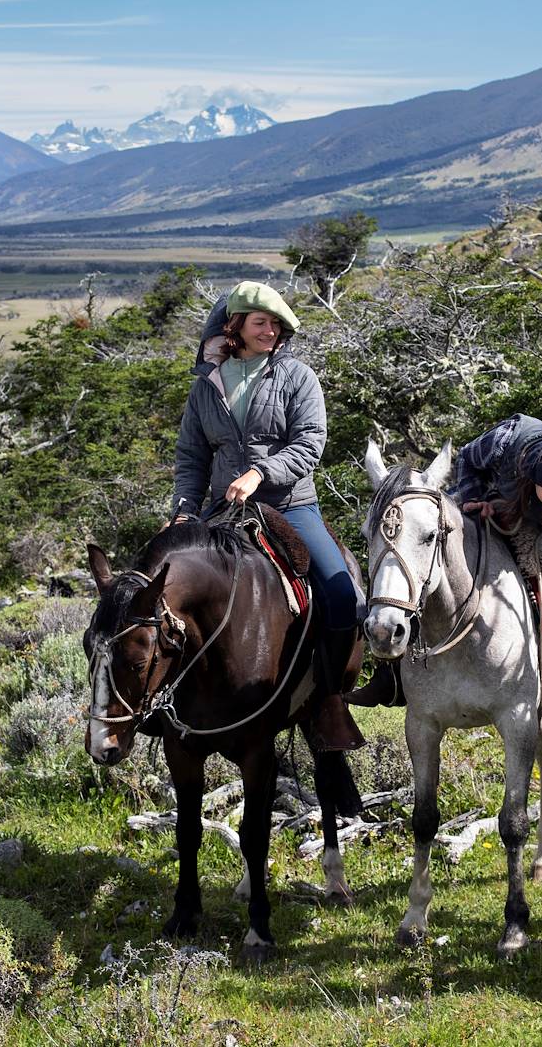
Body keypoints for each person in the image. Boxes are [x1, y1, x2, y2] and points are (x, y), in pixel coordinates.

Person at [170, 281, 364, 751]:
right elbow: (191, 457)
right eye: (261, 322)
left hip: (290, 505)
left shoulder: (298, 377)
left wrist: (261, 472)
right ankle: (169, 705)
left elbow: (310, 443)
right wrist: (182, 511)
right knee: (165, 594)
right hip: (221, 510)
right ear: (233, 326)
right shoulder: (206, 387)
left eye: (276, 323)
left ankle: (330, 698)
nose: (271, 331)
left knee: (342, 595)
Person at [350, 415, 542, 745]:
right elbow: (469, 460)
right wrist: (473, 500)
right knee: (430, 558)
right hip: (497, 503)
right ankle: (393, 674)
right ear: (532, 480)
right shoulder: (506, 441)